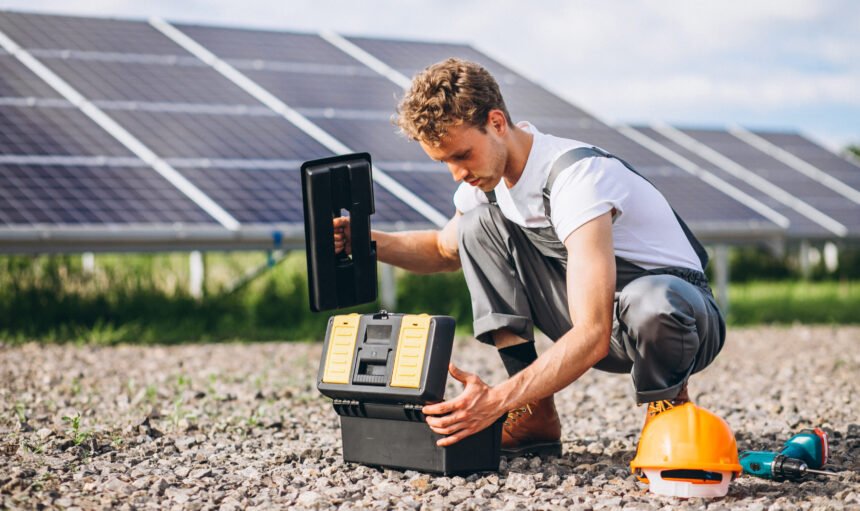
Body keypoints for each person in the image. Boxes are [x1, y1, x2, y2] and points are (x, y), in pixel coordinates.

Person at [333, 58, 725, 457]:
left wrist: (495, 401)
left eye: (463, 155)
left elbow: (591, 334)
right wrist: (364, 242)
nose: (456, 174)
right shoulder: (485, 185)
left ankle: (667, 412)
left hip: (681, 318)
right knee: (475, 225)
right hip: (601, 317)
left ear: (498, 122)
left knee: (651, 301)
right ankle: (535, 414)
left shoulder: (577, 178)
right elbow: (441, 250)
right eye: (444, 162)